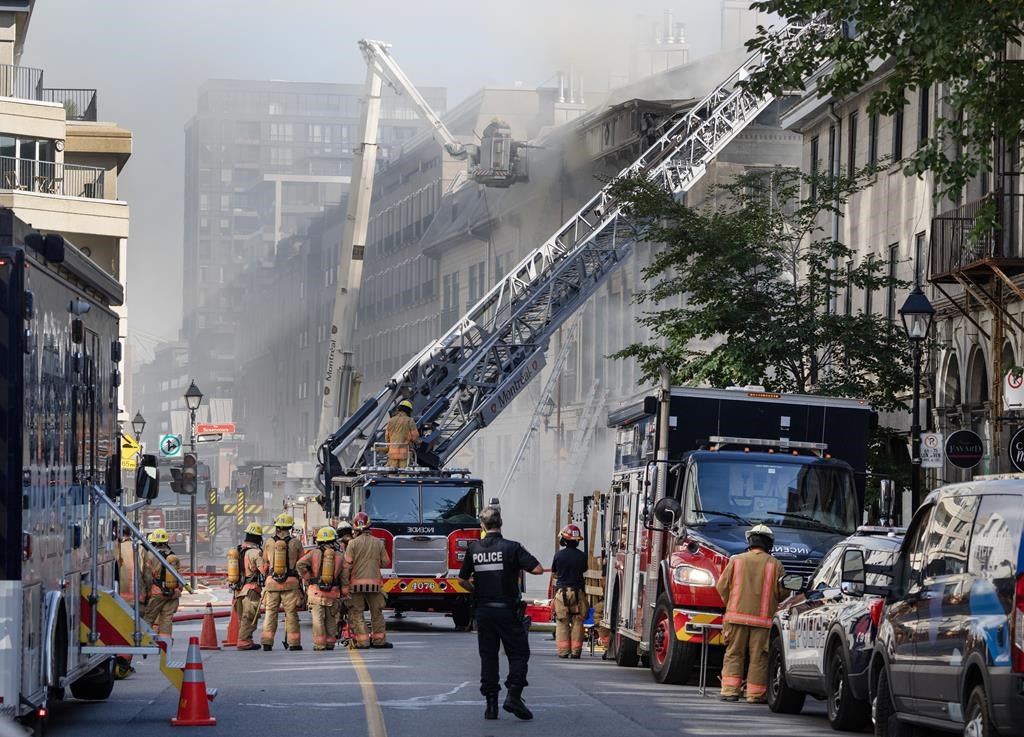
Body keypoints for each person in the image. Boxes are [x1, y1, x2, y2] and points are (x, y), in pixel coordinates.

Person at [458, 506, 544, 721]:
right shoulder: (512, 547)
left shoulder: (473, 549)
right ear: (501, 523)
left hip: (484, 611)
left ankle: (491, 706)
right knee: (518, 654)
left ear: (482, 525)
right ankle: (513, 696)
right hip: (507, 611)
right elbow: (538, 569)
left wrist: (476, 591)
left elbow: (461, 580)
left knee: (488, 656)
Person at [715, 524, 786, 703]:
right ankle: (755, 694)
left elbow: (721, 586)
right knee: (759, 658)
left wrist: (732, 604)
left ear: (750, 541)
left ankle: (729, 691)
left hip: (735, 618)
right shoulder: (775, 565)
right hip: (763, 623)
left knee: (733, 654)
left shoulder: (736, 560)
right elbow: (783, 592)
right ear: (769, 543)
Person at [342, 512, 392, 648]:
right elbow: (386, 562)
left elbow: (347, 566)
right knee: (377, 613)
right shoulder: (378, 543)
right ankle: (379, 641)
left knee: (357, 613)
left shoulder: (352, 544)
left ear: (355, 528)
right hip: (374, 585)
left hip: (356, 585)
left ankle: (363, 642)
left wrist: (344, 586)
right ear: (369, 526)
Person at [261, 513, 305, 651]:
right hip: (290, 583)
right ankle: (294, 643)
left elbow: (265, 563)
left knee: (270, 613)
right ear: (290, 527)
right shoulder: (296, 543)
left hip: (272, 583)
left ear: (277, 527)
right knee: (291, 614)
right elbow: (301, 562)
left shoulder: (269, 542)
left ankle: (267, 642)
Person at [298, 527, 345, 651]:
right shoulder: (340, 555)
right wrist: (344, 591)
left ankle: (319, 644)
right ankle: (330, 643)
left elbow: (300, 564)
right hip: (332, 593)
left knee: (318, 619)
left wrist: (308, 577)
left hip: (316, 593)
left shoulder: (313, 553)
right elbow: (344, 576)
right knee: (330, 619)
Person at [552, 523, 587, 659]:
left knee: (562, 622)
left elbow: (555, 572)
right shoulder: (582, 556)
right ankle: (575, 652)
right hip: (578, 593)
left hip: (561, 593)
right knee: (578, 621)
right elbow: (584, 569)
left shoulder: (558, 555)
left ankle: (563, 651)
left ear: (564, 540)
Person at [232, 523, 267, 651]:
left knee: (242, 616)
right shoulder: (255, 553)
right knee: (249, 616)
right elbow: (263, 570)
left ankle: (247, 639)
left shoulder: (237, 550)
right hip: (251, 590)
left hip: (238, 590)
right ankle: (244, 641)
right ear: (258, 538)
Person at [141, 528, 182, 638]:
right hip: (172, 593)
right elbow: (179, 576)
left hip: (156, 593)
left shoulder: (149, 555)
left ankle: (146, 642)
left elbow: (147, 576)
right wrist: (178, 590)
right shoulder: (173, 557)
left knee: (148, 619)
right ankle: (166, 643)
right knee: (166, 620)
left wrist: (147, 592)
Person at [384, 399, 419, 468]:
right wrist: (418, 442)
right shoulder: (410, 421)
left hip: (392, 454)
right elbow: (415, 437)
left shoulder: (391, 420)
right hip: (404, 454)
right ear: (409, 410)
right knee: (404, 473)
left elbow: (386, 437)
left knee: (392, 472)